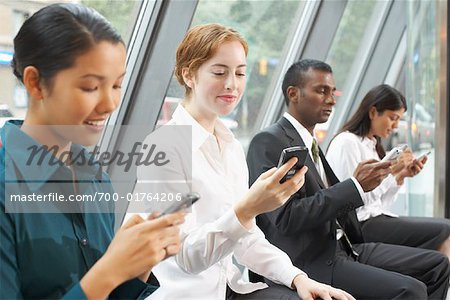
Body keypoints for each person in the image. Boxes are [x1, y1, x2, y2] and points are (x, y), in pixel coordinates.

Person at [137, 24, 354, 300]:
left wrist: (298, 277)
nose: (232, 84)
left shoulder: (229, 146)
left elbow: (246, 240)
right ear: (188, 75)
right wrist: (247, 208)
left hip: (229, 288)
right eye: (219, 72)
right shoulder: (164, 148)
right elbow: (186, 258)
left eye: (240, 72)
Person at [0, 4, 185, 299]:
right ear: (36, 83)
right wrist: (110, 270)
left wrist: (136, 267)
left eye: (117, 85)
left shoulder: (94, 175)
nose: (110, 104)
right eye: (90, 87)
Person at [246, 59, 450, 299]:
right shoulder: (269, 141)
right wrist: (354, 186)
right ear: (293, 94)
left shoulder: (309, 142)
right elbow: (286, 218)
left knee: (438, 265)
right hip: (313, 260)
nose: (332, 99)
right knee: (411, 289)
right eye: (322, 91)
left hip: (346, 246)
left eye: (332, 92)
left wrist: (373, 183)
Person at [326, 84, 450, 258]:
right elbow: (355, 199)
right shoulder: (347, 142)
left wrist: (400, 176)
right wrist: (392, 173)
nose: (395, 126)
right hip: (358, 225)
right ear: (373, 112)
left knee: (443, 232)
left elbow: (381, 204)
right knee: (445, 230)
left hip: (374, 219)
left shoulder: (374, 147)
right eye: (393, 118)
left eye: (399, 119)